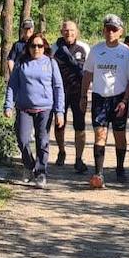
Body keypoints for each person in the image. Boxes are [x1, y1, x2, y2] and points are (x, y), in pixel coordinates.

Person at [80, 14, 129, 183]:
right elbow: (88, 74)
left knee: (119, 136)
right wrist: (83, 96)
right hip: (99, 98)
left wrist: (125, 100)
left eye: (114, 29)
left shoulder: (127, 53)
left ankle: (120, 168)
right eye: (107, 29)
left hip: (119, 99)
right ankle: (98, 173)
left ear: (120, 32)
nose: (110, 32)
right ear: (103, 30)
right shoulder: (96, 50)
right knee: (100, 135)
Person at [4, 33, 65, 188]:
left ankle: (41, 172)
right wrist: (8, 105)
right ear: (28, 47)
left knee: (42, 140)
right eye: (33, 46)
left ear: (44, 47)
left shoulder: (50, 63)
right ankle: (28, 165)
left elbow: (58, 87)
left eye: (39, 46)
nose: (36, 49)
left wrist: (60, 111)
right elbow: (12, 85)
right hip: (24, 107)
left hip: (45, 108)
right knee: (23, 139)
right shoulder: (21, 63)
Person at [52, 20, 90, 173]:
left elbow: (88, 71)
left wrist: (86, 92)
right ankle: (61, 151)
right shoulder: (55, 48)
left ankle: (78, 159)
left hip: (78, 92)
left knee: (80, 126)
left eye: (72, 30)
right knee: (59, 123)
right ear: (62, 31)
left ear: (77, 31)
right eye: (66, 30)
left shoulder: (84, 48)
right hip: (60, 92)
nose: (69, 33)